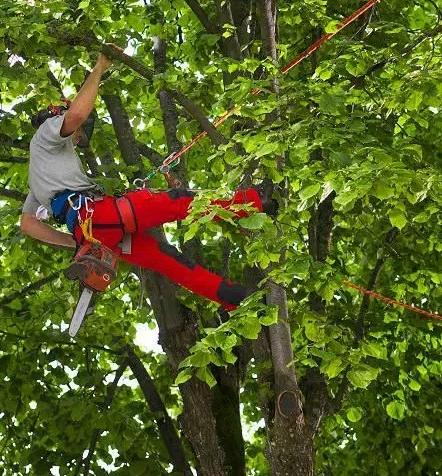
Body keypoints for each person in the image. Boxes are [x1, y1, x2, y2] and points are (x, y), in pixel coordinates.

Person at [19, 47, 274, 311]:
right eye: (76, 132)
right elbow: (76, 114)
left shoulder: (39, 175)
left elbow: (27, 224)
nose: (77, 134)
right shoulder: (46, 132)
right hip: (101, 216)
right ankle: (254, 202)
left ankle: (235, 298)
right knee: (180, 201)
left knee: (168, 260)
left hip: (96, 236)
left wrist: (75, 241)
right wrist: (99, 68)